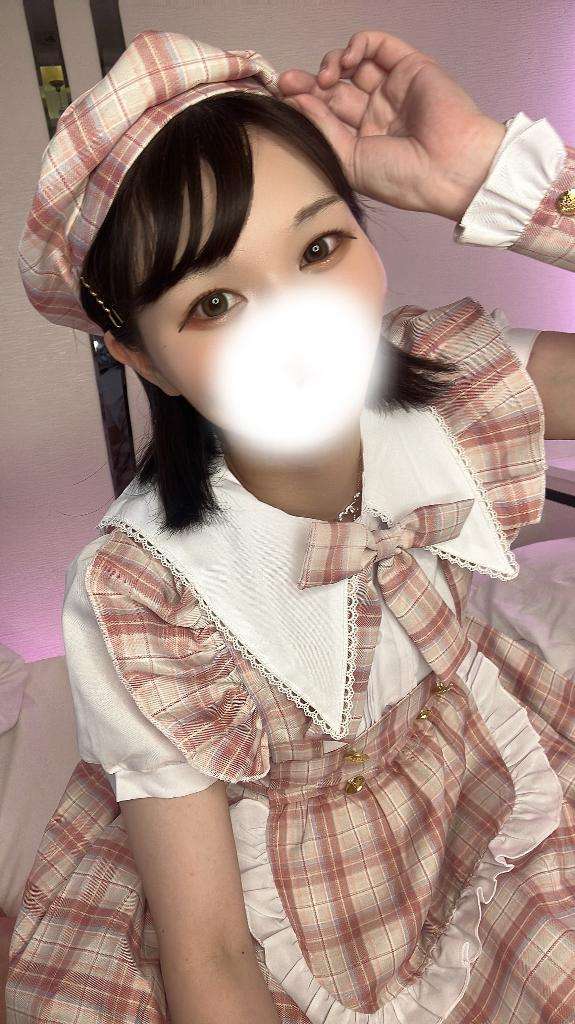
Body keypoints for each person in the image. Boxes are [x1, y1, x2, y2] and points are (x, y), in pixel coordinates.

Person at [6, 26, 575, 1024]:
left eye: (319, 248)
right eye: (215, 301)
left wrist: (487, 174)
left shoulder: (454, 387)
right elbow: (213, 949)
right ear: (140, 357)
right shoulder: (144, 591)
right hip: (282, 899)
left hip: (481, 790)